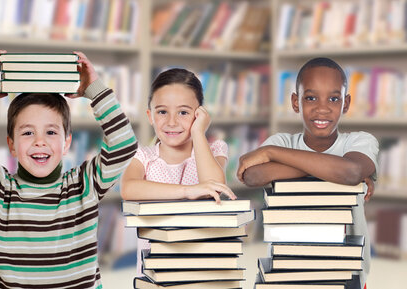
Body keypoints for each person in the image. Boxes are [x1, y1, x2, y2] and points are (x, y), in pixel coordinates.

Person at [0, 50, 137, 288]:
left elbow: (124, 143)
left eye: (51, 132)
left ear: (67, 143)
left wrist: (94, 89)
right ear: (11, 145)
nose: (39, 141)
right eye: (27, 132)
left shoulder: (84, 185)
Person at [237, 57, 378, 289]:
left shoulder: (359, 141)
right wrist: (335, 170)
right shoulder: (283, 141)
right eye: (311, 98)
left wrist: (272, 153)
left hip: (345, 275)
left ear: (346, 103)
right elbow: (251, 175)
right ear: (295, 102)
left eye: (334, 98)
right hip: (286, 272)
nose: (322, 108)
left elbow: (352, 171)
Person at [120, 68, 236, 275]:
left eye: (183, 112)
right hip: (155, 269)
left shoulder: (215, 150)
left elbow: (214, 185)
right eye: (162, 112)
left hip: (200, 265)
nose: (172, 122)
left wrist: (198, 132)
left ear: (199, 115)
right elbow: (128, 188)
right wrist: (187, 191)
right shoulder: (143, 156)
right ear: (150, 116)